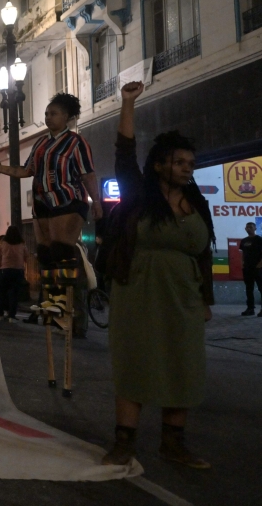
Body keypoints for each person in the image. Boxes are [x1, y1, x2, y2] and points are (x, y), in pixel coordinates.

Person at [100, 80, 213, 469]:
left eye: (191, 164)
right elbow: (124, 153)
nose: (187, 169)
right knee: (134, 362)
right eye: (180, 162)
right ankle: (123, 443)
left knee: (183, 364)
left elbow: (202, 254)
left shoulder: (196, 201)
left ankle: (173, 443)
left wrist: (205, 300)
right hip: (138, 291)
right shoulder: (140, 194)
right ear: (161, 164)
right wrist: (128, 104)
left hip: (182, 295)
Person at [0, 93, 102, 337]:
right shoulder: (41, 143)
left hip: (68, 201)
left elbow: (87, 174)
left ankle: (72, 311)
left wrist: (98, 201)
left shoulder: (76, 143)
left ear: (68, 117)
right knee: (47, 257)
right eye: (47, 113)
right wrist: (0, 168)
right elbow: (26, 170)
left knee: (63, 252)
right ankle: (54, 308)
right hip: (42, 204)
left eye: (54, 113)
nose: (48, 117)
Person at [0, 227, 29, 321]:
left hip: (3, 271)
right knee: (14, 294)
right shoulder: (22, 244)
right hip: (18, 271)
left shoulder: (1, 243)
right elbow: (26, 257)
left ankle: (0, 314)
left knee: (1, 293)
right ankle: (11, 315)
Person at [238, 222, 262, 316]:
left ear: (255, 228)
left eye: (251, 227)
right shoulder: (244, 241)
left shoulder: (259, 239)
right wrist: (242, 263)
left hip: (258, 268)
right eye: (247, 227)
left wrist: (260, 263)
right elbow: (243, 253)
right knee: (249, 289)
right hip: (247, 268)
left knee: (261, 288)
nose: (249, 228)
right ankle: (250, 309)